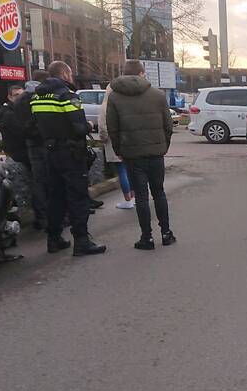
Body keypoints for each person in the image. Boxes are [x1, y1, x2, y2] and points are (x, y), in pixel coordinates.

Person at [30, 61, 106, 256]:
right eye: (70, 73)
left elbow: (35, 125)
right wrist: (89, 125)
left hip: (50, 152)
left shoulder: (36, 97)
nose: (71, 77)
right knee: (78, 196)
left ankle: (53, 239)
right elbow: (78, 127)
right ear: (64, 73)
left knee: (55, 197)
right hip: (70, 152)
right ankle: (82, 241)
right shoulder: (66, 96)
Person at [107, 60, 175, 250]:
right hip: (155, 154)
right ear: (142, 73)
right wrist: (163, 146)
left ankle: (147, 237)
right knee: (159, 192)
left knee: (141, 197)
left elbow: (113, 128)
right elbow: (168, 126)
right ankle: (166, 233)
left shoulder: (114, 97)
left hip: (132, 155)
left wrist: (120, 151)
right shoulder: (158, 95)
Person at [0, 84, 48, 227]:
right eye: (16, 95)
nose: (20, 98)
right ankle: (42, 216)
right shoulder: (9, 113)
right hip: (20, 152)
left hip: (25, 150)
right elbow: (23, 132)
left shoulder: (18, 110)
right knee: (39, 182)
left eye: (22, 95)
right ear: (9, 97)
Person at [97, 85, 135, 210]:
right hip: (129, 142)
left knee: (122, 171)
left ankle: (127, 199)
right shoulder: (127, 104)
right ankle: (134, 197)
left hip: (113, 142)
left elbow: (103, 127)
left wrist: (103, 138)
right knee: (131, 170)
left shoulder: (105, 106)